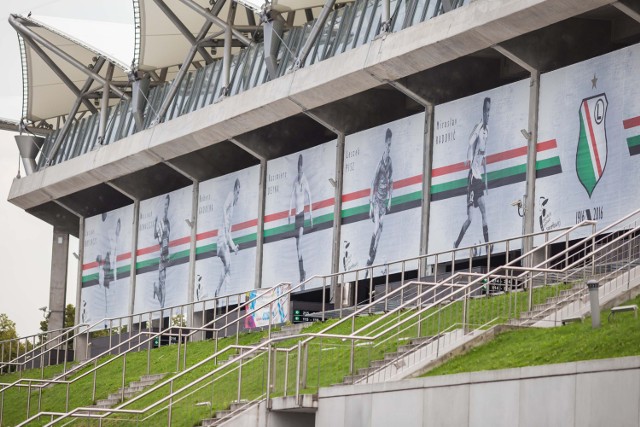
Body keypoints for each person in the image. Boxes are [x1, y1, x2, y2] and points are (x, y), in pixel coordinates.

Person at [454, 97, 491, 250]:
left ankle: (488, 245)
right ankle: (456, 243)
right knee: (470, 219)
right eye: (486, 111)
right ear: (483, 111)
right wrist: (468, 159)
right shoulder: (479, 126)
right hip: (472, 178)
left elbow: (483, 156)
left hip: (479, 178)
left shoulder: (487, 130)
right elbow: (470, 143)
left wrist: (486, 178)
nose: (488, 114)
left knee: (484, 211)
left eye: (489, 111)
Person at [365, 128, 393, 277]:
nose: (389, 147)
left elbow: (391, 182)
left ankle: (372, 256)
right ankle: (370, 252)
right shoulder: (380, 163)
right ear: (384, 144)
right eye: (387, 144)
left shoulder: (390, 163)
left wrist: (390, 200)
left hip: (384, 202)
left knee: (381, 229)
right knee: (377, 226)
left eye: (390, 145)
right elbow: (372, 183)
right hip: (376, 201)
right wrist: (370, 204)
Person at [288, 155, 313, 282]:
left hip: (302, 214)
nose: (300, 172)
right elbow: (291, 197)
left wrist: (311, 215)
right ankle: (302, 271)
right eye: (298, 170)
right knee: (297, 246)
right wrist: (289, 213)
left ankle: (302, 274)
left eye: (301, 170)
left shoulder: (305, 180)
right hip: (296, 216)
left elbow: (310, 196)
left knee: (300, 245)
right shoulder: (295, 181)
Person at [215, 179, 241, 297]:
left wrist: (234, 247)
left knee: (227, 268)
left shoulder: (233, 210)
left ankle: (221, 293)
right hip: (221, 238)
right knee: (228, 265)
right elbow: (223, 207)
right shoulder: (231, 195)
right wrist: (225, 224)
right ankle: (222, 293)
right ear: (235, 190)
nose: (238, 196)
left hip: (225, 238)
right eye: (238, 192)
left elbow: (229, 234)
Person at [153, 194, 171, 308]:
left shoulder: (167, 222)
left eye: (167, 204)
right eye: (164, 204)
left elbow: (167, 239)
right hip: (162, 255)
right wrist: (155, 224)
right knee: (161, 282)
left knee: (163, 282)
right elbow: (156, 235)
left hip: (166, 254)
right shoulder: (161, 222)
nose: (165, 207)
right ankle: (161, 305)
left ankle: (162, 305)